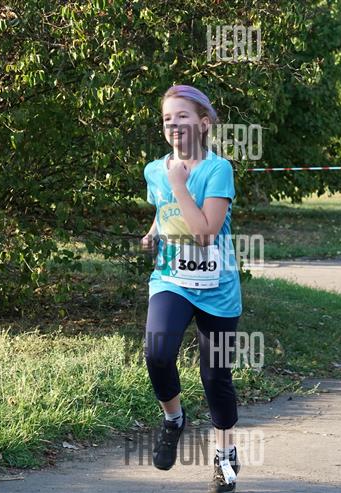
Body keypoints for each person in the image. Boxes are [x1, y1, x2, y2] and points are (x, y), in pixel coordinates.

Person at [141, 84, 243, 493]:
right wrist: (152, 233)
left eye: (182, 116)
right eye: (167, 118)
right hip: (171, 280)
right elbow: (164, 208)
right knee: (157, 352)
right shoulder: (155, 169)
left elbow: (204, 233)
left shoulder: (218, 170)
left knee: (215, 376)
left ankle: (224, 455)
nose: (173, 124)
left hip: (217, 288)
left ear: (203, 123)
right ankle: (173, 418)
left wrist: (180, 184)